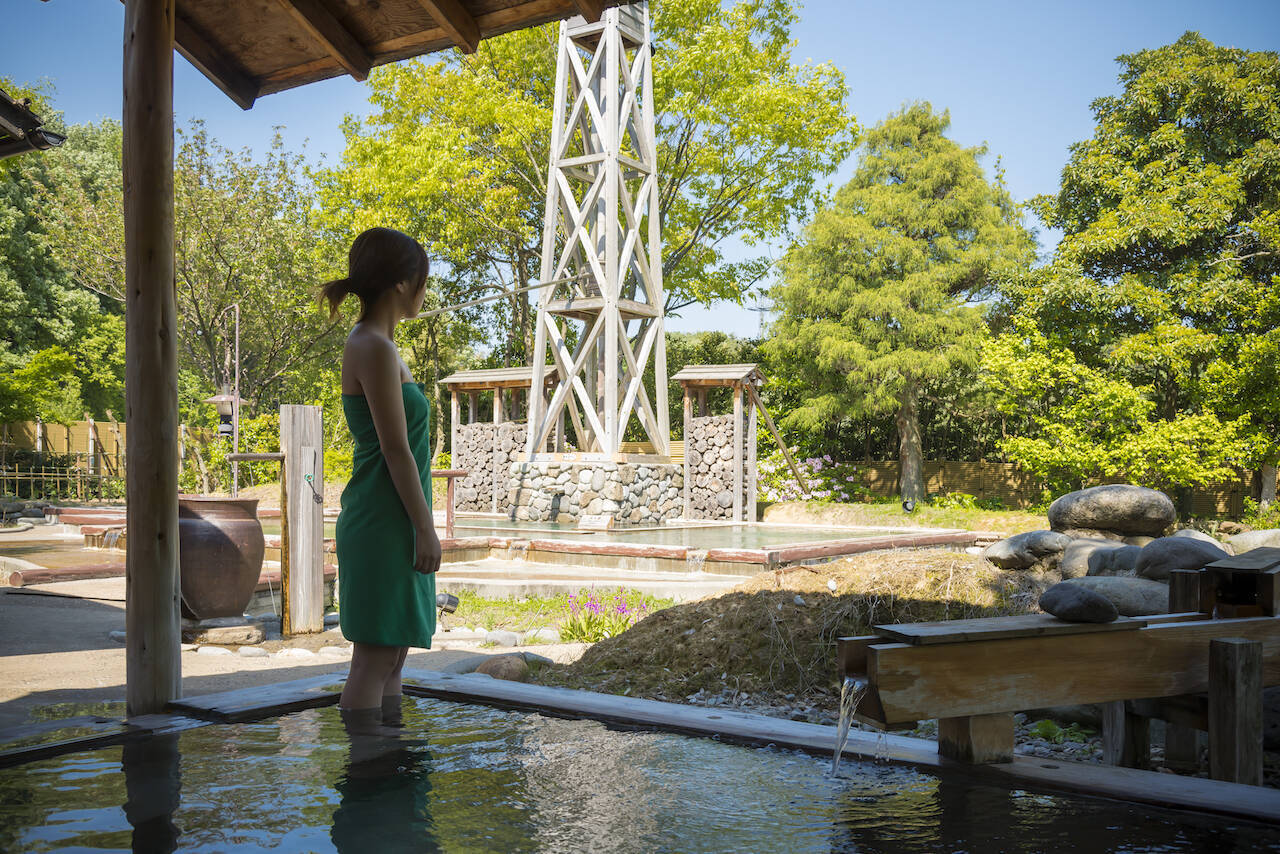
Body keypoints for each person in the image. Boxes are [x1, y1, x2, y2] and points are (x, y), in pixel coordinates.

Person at [320, 226, 442, 721]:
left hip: (397, 518)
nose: (425, 292)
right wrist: (425, 526)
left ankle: (387, 780)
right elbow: (395, 450)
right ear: (401, 284)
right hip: (383, 518)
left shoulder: (383, 345)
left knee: (393, 656)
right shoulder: (371, 345)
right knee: (373, 660)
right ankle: (366, 782)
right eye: (423, 281)